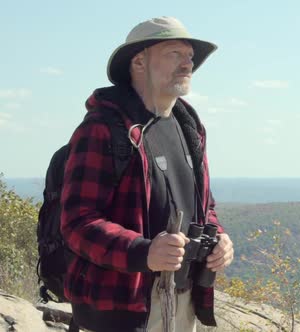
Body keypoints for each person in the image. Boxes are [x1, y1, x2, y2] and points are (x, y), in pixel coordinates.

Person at [60, 16, 234, 332]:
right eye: (174, 54)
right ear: (139, 62)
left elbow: (205, 207)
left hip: (183, 302)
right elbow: (77, 223)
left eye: (190, 57)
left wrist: (219, 237)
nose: (187, 65)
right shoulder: (104, 128)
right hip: (121, 310)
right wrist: (145, 251)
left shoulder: (190, 128)